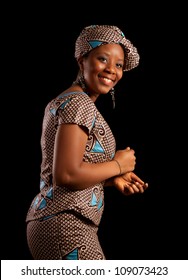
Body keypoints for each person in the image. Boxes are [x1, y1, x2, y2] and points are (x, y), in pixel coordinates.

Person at [26, 24, 148, 260]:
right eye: (103, 59)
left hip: (59, 220)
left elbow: (68, 168)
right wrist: (119, 165)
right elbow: (67, 175)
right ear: (82, 59)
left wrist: (111, 179)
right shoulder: (79, 103)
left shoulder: (66, 100)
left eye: (119, 65)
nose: (112, 70)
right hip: (66, 223)